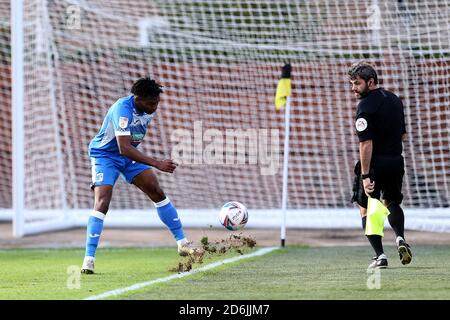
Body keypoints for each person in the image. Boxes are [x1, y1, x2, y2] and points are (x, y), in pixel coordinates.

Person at [81, 77, 203, 274]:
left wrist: (151, 164)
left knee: (156, 191)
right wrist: (157, 163)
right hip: (106, 155)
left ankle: (183, 243)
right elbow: (123, 147)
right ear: (137, 98)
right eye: (151, 103)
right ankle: (89, 259)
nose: (155, 107)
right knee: (103, 201)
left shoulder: (147, 109)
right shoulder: (123, 109)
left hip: (129, 156)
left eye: (157, 102)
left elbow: (130, 146)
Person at [349, 62, 412, 269]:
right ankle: (400, 238)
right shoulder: (395, 100)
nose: (353, 88)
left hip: (375, 164)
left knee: (367, 208)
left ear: (371, 82)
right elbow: (403, 134)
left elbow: (366, 143)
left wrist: (366, 175)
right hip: (396, 160)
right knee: (392, 202)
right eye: (351, 83)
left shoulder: (365, 106)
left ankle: (380, 255)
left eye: (357, 83)